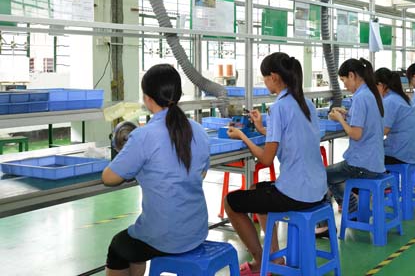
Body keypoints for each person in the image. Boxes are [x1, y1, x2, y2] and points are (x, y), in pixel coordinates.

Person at [102, 64, 210, 276]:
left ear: (147, 98)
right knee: (137, 240)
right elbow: (202, 174)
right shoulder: (199, 130)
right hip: (196, 231)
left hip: (165, 237)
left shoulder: (143, 136)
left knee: (119, 247)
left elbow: (109, 178)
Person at [225, 53, 327, 274]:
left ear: (273, 77)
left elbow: (266, 159)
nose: (264, 82)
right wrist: (262, 128)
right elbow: (289, 136)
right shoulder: (306, 103)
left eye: (264, 78)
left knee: (231, 202)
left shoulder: (279, 106)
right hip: (318, 189)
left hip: (296, 193)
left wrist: (242, 136)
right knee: (257, 189)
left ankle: (260, 260)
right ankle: (275, 257)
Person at [321, 58, 384, 233]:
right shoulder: (371, 94)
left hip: (362, 164)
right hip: (375, 161)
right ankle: (352, 209)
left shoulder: (361, 97)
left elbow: (356, 134)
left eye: (344, 80)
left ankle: (326, 224)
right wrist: (348, 114)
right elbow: (365, 121)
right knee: (334, 173)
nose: (345, 85)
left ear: (352, 75)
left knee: (323, 174)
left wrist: (340, 119)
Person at [374, 67, 415, 165]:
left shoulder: (389, 101)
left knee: (364, 156)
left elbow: (383, 131)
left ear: (381, 85)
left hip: (401, 154)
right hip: (413, 152)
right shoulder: (402, 98)